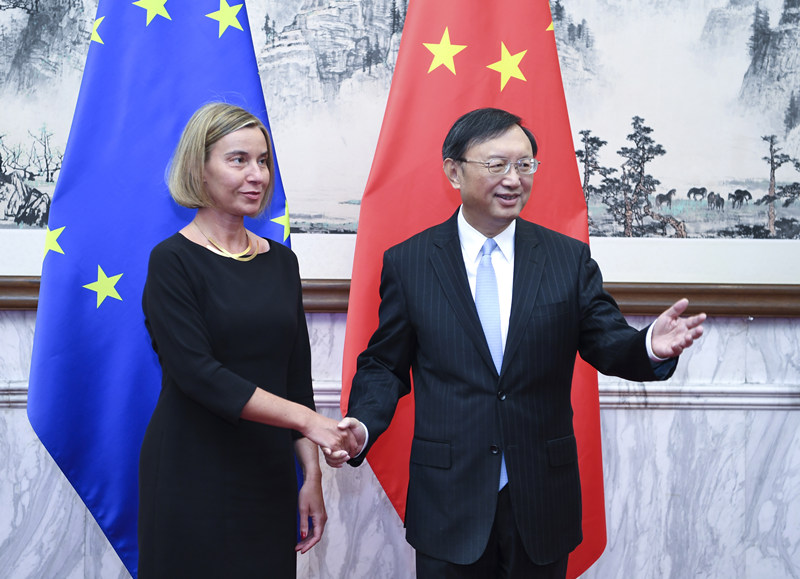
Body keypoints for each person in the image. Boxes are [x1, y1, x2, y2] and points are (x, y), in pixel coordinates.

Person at [330, 107, 706, 578]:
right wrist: (362, 425)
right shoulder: (411, 263)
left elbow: (607, 341)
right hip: (450, 500)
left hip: (541, 498)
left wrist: (649, 345)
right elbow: (384, 365)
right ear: (453, 170)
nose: (513, 178)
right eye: (496, 165)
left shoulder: (566, 260)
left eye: (525, 165)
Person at [138, 102, 354, 578]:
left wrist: (311, 476)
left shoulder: (281, 262)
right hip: (189, 471)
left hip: (267, 474)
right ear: (200, 168)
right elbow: (199, 375)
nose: (256, 174)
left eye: (263, 161)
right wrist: (312, 423)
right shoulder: (171, 261)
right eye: (238, 160)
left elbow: (294, 377)